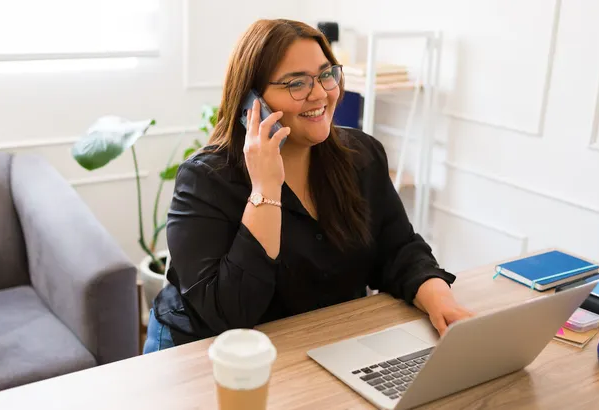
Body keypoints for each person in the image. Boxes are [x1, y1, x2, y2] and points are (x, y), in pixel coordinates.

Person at [143, 18, 474, 354]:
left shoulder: (362, 156)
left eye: (326, 74)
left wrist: (441, 302)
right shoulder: (205, 180)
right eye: (296, 83)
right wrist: (266, 189)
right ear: (251, 102)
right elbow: (229, 316)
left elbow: (399, 250)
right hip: (205, 353)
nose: (320, 93)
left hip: (318, 345)